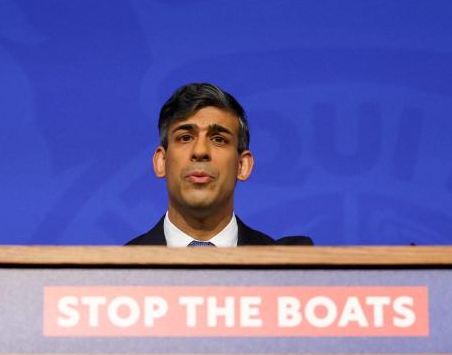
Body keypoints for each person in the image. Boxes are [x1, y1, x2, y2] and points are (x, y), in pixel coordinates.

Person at [126, 83, 313, 246]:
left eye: (218, 139)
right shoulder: (116, 273)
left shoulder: (287, 271)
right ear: (161, 162)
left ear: (242, 165)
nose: (200, 151)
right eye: (185, 137)